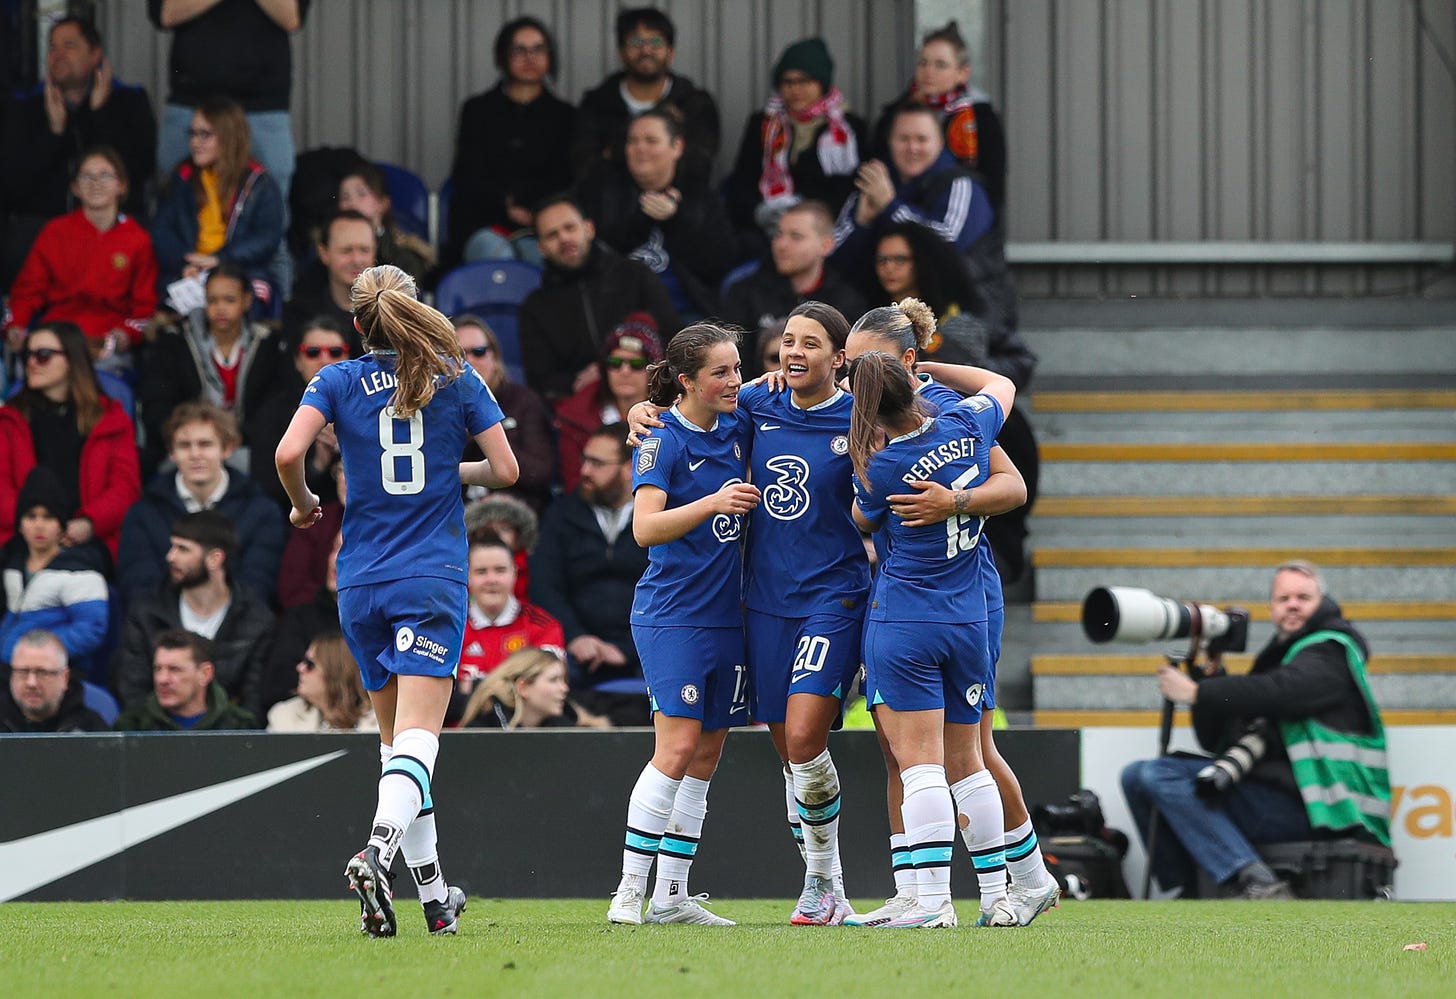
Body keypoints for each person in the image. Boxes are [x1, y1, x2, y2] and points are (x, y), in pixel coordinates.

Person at [275, 263, 518, 937]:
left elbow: (288, 451)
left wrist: (304, 506)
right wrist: (447, 469)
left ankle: (436, 899)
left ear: (358, 324)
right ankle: (376, 850)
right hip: (429, 575)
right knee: (420, 739)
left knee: (394, 747)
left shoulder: (336, 378)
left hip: (359, 580)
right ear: (418, 313)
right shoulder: (454, 375)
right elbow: (506, 470)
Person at [838, 300, 1059, 929]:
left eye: (857, 369)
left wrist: (940, 496)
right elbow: (1003, 385)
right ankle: (999, 896)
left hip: (909, 612)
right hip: (967, 610)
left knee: (925, 763)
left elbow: (861, 517)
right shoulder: (965, 421)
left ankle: (930, 902)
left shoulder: (880, 465)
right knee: (969, 760)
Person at [1120, 561, 1390, 900]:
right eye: (1284, 598)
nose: (1292, 604)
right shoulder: (1281, 657)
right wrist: (1211, 676)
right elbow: (1218, 741)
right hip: (1274, 798)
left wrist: (1198, 693)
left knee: (1162, 774)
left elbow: (1283, 691)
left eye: (1303, 597)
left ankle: (1253, 881)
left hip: (1324, 811)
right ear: (1271, 608)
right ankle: (1190, 888)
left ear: (1322, 601)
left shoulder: (1333, 649)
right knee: (1136, 777)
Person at [606, 322, 757, 928]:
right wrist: (712, 503)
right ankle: (627, 891)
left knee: (708, 751)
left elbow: (777, 384)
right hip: (673, 614)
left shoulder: (738, 422)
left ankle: (672, 896)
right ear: (687, 380)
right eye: (720, 372)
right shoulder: (661, 437)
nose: (734, 382)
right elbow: (644, 528)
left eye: (738, 370)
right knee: (675, 747)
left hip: (729, 616)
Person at [871, 221, 1039, 582]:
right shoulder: (871, 335)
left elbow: (1015, 486)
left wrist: (953, 503)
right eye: (882, 259)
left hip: (958, 573)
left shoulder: (955, 392)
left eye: (900, 258)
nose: (889, 267)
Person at [0, 16, 155, 284]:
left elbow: (136, 172)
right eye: (52, 47)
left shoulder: (130, 100)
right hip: (45, 227)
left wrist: (99, 116)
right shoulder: (25, 105)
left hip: (110, 226)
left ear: (95, 54)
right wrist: (55, 134)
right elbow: (14, 186)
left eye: (69, 45)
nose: (58, 54)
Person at [529, 423, 651, 727]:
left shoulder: (659, 519)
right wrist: (576, 636)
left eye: (597, 463)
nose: (584, 470)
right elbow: (545, 586)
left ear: (628, 468)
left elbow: (671, 590)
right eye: (585, 459)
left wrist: (626, 649)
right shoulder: (562, 515)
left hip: (644, 646)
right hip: (577, 651)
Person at [575, 106, 735, 322]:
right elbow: (594, 256)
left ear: (677, 147)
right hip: (617, 312)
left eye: (651, 141)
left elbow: (719, 263)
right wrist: (643, 218)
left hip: (687, 315)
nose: (640, 148)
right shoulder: (604, 193)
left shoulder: (701, 197)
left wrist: (676, 219)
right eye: (632, 141)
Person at [118, 402, 285, 605]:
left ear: (227, 448)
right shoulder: (144, 513)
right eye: (184, 445)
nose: (195, 454)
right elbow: (139, 588)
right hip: (164, 628)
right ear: (172, 453)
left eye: (205, 444)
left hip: (237, 629)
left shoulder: (262, 512)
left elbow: (258, 585)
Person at [112, 509, 275, 717]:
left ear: (215, 559)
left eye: (183, 549)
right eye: (172, 546)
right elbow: (133, 690)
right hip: (157, 735)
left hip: (230, 738)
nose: (170, 557)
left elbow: (254, 699)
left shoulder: (256, 619)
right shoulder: (147, 612)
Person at [0, 322, 141, 561]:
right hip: (21, 540)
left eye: (43, 355)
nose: (31, 363)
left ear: (72, 360)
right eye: (27, 355)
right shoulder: (9, 420)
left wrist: (89, 522)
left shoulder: (111, 419)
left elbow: (125, 487)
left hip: (90, 541)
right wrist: (36, 525)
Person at [518, 195, 680, 401]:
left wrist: (636, 367)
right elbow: (540, 379)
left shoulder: (635, 275)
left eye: (570, 228)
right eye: (552, 235)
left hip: (652, 395)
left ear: (589, 228)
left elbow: (674, 339)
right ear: (541, 247)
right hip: (583, 407)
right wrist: (578, 380)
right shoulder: (535, 306)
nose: (564, 238)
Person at [443, 15, 575, 268]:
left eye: (538, 49)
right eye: (520, 50)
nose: (530, 58)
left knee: (539, 259)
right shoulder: (478, 110)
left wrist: (534, 211)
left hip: (541, 223)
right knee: (497, 257)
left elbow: (564, 176)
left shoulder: (565, 115)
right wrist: (505, 207)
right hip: (482, 221)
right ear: (503, 56)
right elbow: (468, 173)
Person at [5, 146, 157, 362]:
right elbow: (27, 291)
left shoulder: (138, 240)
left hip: (106, 343)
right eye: (86, 176)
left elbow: (144, 306)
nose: (95, 183)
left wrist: (123, 336)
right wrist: (16, 326)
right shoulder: (55, 232)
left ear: (121, 185)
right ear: (75, 187)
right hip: (56, 336)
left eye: (105, 175)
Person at [149, 0, 309, 202]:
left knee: (270, 200)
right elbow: (165, 14)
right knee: (172, 197)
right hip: (191, 99)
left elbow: (292, 18)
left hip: (263, 103)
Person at [138, 264, 285, 476]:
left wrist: (241, 436)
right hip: (189, 447)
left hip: (247, 448)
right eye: (212, 300)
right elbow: (157, 405)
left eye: (229, 300)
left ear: (247, 301)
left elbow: (274, 406)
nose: (220, 308)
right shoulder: (174, 342)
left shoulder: (267, 343)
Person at [725, 37, 867, 254]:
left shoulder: (849, 129)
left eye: (805, 81)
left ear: (822, 83)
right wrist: (759, 211)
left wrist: (803, 214)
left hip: (825, 233)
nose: (795, 89)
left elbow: (850, 188)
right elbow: (742, 180)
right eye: (788, 82)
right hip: (765, 230)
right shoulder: (764, 124)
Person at [831, 102, 995, 287]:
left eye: (922, 139)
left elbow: (948, 245)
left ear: (940, 144)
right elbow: (830, 255)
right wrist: (861, 223)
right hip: (884, 308)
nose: (912, 148)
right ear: (889, 143)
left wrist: (890, 207)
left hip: (964, 307)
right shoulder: (875, 180)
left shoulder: (961, 184)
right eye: (903, 139)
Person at [151, 96, 287, 306]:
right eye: (193, 134)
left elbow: (267, 237)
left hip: (240, 270)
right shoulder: (182, 176)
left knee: (253, 297)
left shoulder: (258, 181)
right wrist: (185, 262)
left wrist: (220, 259)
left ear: (228, 137)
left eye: (205, 135)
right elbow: (161, 230)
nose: (195, 142)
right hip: (189, 272)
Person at [571, 7, 720, 186]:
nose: (646, 50)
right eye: (636, 42)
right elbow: (585, 169)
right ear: (621, 53)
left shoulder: (694, 103)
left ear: (670, 53)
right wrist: (661, 151)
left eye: (656, 42)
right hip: (609, 207)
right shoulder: (596, 103)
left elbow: (698, 168)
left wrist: (613, 152)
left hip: (678, 205)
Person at [870, 21, 1006, 216]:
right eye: (923, 63)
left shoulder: (981, 119)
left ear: (962, 73)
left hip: (961, 218)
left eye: (940, 65)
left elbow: (993, 186)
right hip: (896, 215)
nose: (929, 72)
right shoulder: (896, 114)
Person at [0, 468, 110, 680]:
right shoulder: (12, 568)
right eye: (31, 516)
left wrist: (38, 652)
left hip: (59, 675)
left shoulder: (81, 573)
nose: (39, 525)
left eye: (48, 517)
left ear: (62, 526)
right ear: (20, 525)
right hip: (11, 672)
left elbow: (91, 630)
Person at [448, 536, 564, 725]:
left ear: (515, 573)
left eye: (500, 570)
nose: (491, 579)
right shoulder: (449, 627)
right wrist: (510, 684)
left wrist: (471, 688)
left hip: (523, 741)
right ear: (466, 576)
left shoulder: (544, 626)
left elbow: (544, 694)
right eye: (481, 572)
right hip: (457, 741)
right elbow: (439, 698)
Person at [720, 201, 867, 342]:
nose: (781, 245)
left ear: (826, 245)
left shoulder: (848, 302)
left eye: (796, 236)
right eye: (778, 235)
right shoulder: (744, 293)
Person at [453, 314, 555, 512]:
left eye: (479, 352)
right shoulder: (436, 404)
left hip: (518, 513)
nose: (470, 361)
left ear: (495, 357)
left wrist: (487, 432)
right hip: (457, 516)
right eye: (459, 354)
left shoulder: (523, 400)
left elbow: (541, 473)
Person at [249, 317, 351, 514]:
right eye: (313, 352)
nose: (324, 360)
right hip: (300, 522)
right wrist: (316, 465)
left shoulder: (368, 403)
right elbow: (265, 487)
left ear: (349, 357)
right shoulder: (273, 412)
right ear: (297, 360)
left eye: (335, 352)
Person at [552, 313, 663, 494]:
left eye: (636, 363)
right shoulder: (574, 417)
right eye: (615, 362)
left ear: (653, 371)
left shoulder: (675, 412)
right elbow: (576, 487)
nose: (624, 371)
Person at [114, 628, 260, 731]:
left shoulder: (240, 727)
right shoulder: (132, 726)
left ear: (205, 674)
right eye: (157, 669)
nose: (162, 679)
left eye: (174, 669)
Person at [282, 210, 376, 356]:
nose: (357, 260)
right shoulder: (299, 314)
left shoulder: (393, 311)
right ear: (324, 253)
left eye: (365, 250)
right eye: (346, 251)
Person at [458, 647, 607, 729]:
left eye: (564, 680)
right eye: (554, 680)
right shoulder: (483, 730)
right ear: (523, 687)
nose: (564, 688)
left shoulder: (572, 728)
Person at [337, 163, 434, 280]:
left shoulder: (403, 256)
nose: (352, 202)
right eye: (345, 197)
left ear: (383, 204)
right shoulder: (329, 251)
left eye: (361, 194)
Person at [267, 631, 377, 733]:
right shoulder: (284, 716)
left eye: (309, 664)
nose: (300, 667)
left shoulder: (382, 722)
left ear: (335, 672)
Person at [1, 629, 108, 733]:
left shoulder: (90, 731)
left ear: (65, 678)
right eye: (23, 672)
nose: (31, 683)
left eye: (42, 673)